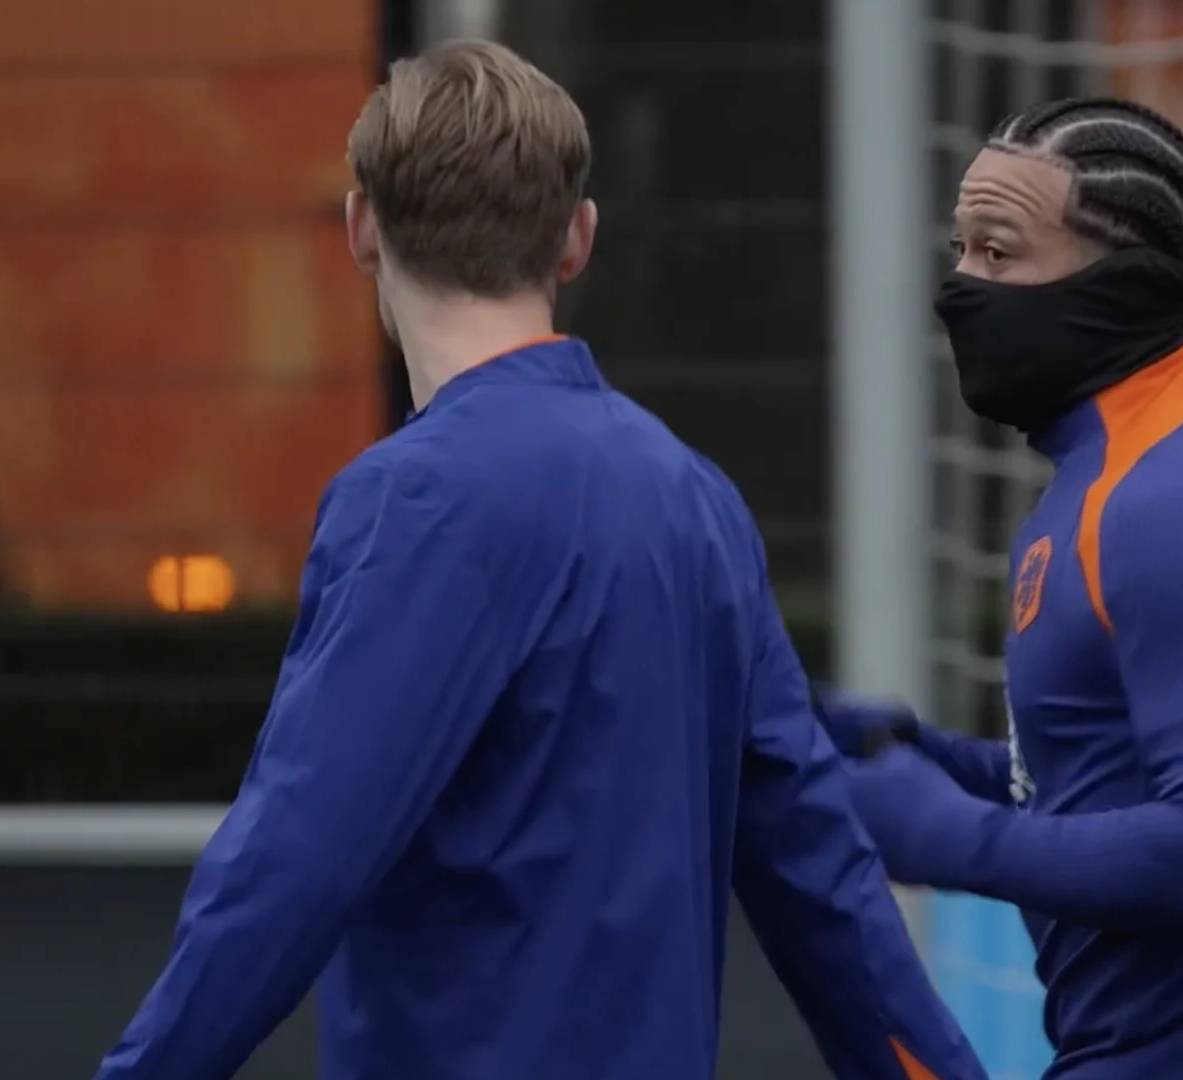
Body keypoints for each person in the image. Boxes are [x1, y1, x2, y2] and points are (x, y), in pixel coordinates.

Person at [93, 41, 984, 1080]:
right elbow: (822, 880)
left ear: (361, 227)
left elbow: (292, 862)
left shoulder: (410, 499)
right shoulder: (691, 495)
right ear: (577, 237)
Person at [818, 97, 1183, 1079]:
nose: (961, 288)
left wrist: (948, 835)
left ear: (1121, 284)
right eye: (961, 250)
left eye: (999, 254)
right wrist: (935, 759)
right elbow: (1103, 782)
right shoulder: (1114, 475)